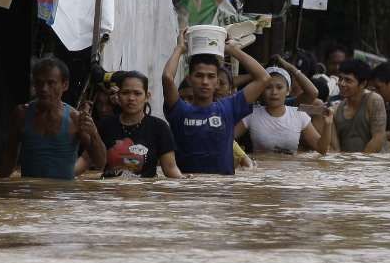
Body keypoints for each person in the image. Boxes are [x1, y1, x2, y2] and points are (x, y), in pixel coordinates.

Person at [162, 33, 270, 175]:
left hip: (222, 190)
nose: (205, 82)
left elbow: (264, 78)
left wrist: (233, 50)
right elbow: (167, 78)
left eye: (211, 76)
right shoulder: (179, 110)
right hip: (186, 190)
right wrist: (180, 48)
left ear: (217, 82)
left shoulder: (229, 108)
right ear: (189, 79)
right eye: (199, 76)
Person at [0, 58, 106, 180]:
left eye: (51, 83)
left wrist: (94, 133)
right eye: (39, 83)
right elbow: (9, 158)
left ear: (65, 85)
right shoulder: (22, 114)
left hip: (62, 196)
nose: (44, 89)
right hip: (30, 195)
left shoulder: (74, 118)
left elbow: (100, 163)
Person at [92, 71, 182, 178]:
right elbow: (87, 160)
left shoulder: (160, 128)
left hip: (145, 193)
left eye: (137, 93)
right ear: (118, 96)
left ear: (147, 96)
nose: (131, 98)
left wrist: (185, 183)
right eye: (125, 93)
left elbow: (170, 169)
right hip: (110, 192)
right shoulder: (105, 125)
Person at [236, 67, 331, 156]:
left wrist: (328, 124)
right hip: (261, 170)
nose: (274, 92)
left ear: (288, 90)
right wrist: (243, 157)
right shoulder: (252, 114)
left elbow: (322, 149)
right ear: (261, 90)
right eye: (268, 87)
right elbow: (227, 138)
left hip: (290, 172)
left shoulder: (299, 114)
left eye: (279, 87)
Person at [331, 59, 388, 153]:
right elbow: (335, 150)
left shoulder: (374, 100)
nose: (342, 84)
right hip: (349, 165)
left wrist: (361, 165)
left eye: (348, 80)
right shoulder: (335, 110)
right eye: (340, 78)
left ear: (363, 84)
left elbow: (378, 139)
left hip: (375, 164)